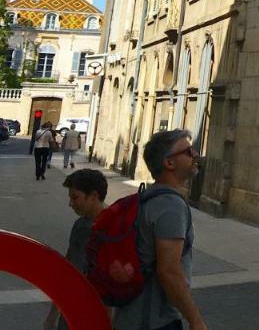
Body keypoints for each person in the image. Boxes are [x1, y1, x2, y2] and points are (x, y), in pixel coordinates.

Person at [114, 128, 207, 330]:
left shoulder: (149, 197)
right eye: (188, 152)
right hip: (154, 320)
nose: (196, 155)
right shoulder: (170, 206)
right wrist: (195, 320)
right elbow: (169, 271)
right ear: (169, 163)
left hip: (132, 317)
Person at [44, 169, 108, 330]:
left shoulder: (103, 229)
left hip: (88, 311)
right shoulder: (81, 225)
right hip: (78, 309)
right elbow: (69, 266)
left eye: (75, 197)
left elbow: (71, 271)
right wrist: (53, 313)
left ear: (94, 196)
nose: (70, 203)